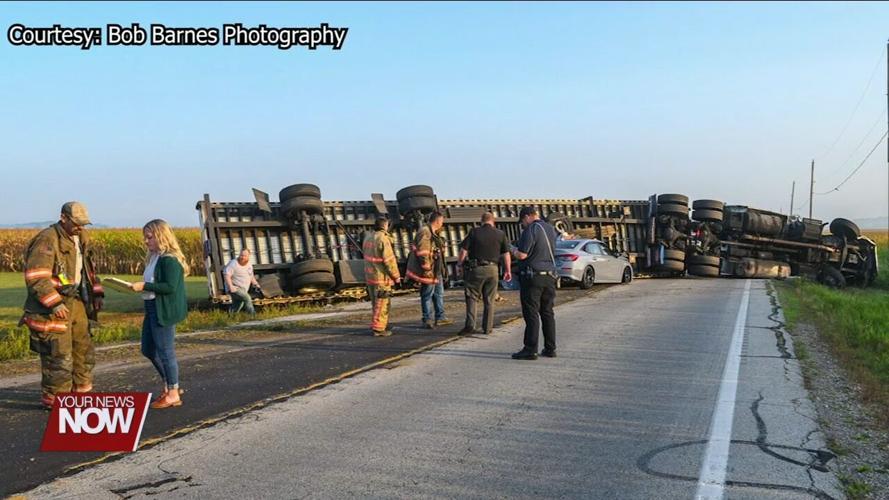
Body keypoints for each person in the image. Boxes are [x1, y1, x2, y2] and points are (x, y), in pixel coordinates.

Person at [21, 202, 104, 409]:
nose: (80, 228)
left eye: (84, 224)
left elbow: (88, 270)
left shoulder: (81, 237)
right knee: (58, 355)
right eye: (77, 223)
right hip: (53, 307)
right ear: (63, 218)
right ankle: (57, 402)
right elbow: (36, 277)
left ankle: (82, 395)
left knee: (83, 351)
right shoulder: (47, 239)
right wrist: (55, 303)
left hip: (77, 303)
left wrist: (97, 292)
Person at [131, 219, 189, 409]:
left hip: (162, 309)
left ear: (161, 236)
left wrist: (144, 286)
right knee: (148, 349)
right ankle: (171, 383)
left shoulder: (169, 259)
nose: (146, 241)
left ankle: (172, 392)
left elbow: (170, 287)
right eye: (145, 237)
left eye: (149, 237)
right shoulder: (154, 256)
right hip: (151, 306)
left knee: (165, 351)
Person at [510, 207, 558, 360]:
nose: (522, 224)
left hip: (533, 277)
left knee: (531, 314)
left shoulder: (531, 229)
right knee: (547, 312)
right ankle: (550, 348)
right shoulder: (550, 229)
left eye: (522, 221)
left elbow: (522, 255)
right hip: (550, 276)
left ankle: (530, 349)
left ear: (527, 217)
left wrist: (511, 249)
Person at [457, 212, 511, 335]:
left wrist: (459, 264)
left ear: (481, 221)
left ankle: (470, 326)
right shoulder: (500, 234)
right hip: (493, 269)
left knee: (472, 297)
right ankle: (487, 328)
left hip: (476, 269)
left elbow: (463, 250)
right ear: (493, 221)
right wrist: (507, 270)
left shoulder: (474, 232)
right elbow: (506, 254)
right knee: (490, 300)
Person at [406, 211, 453, 329]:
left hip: (435, 270)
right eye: (442, 221)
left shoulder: (433, 233)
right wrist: (427, 269)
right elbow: (423, 252)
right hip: (429, 271)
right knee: (427, 294)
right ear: (437, 221)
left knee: (438, 294)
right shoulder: (425, 232)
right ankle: (427, 319)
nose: (442, 224)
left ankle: (440, 317)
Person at [363, 216, 401, 336]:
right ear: (385, 226)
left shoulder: (368, 237)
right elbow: (389, 261)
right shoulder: (383, 239)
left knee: (375, 303)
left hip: (370, 276)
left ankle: (380, 324)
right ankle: (379, 329)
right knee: (383, 304)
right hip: (381, 278)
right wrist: (396, 277)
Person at [224, 248, 260, 315]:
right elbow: (227, 275)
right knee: (247, 298)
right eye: (241, 255)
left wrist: (256, 284)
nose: (242, 257)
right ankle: (253, 316)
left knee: (238, 304)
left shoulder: (249, 264)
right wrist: (231, 286)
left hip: (243, 289)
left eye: (245, 256)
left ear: (249, 256)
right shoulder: (233, 263)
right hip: (234, 288)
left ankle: (231, 317)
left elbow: (251, 276)